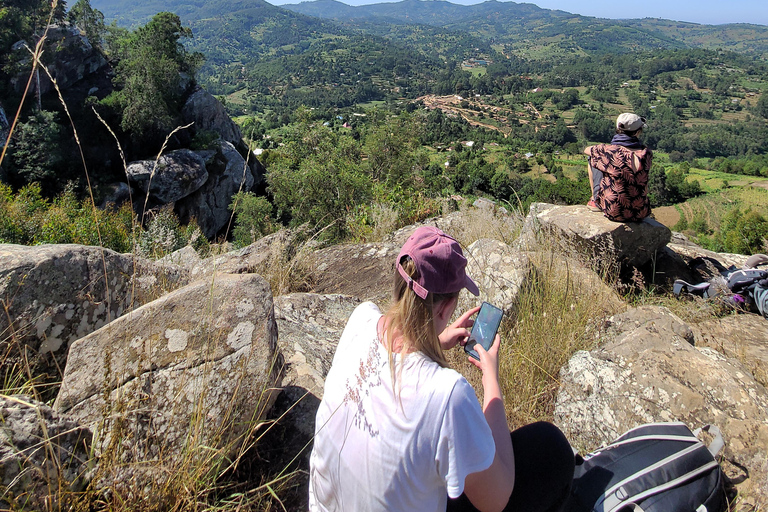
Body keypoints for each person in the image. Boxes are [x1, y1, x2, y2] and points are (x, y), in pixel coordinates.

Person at [309, 226, 574, 512]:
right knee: (550, 448)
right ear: (445, 309)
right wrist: (491, 381)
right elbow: (496, 500)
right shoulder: (446, 394)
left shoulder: (362, 318)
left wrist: (434, 340)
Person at [584, 113, 653, 222]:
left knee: (592, 158)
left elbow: (587, 150)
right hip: (640, 212)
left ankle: (595, 200)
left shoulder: (609, 151)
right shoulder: (646, 153)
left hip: (614, 211)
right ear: (638, 132)